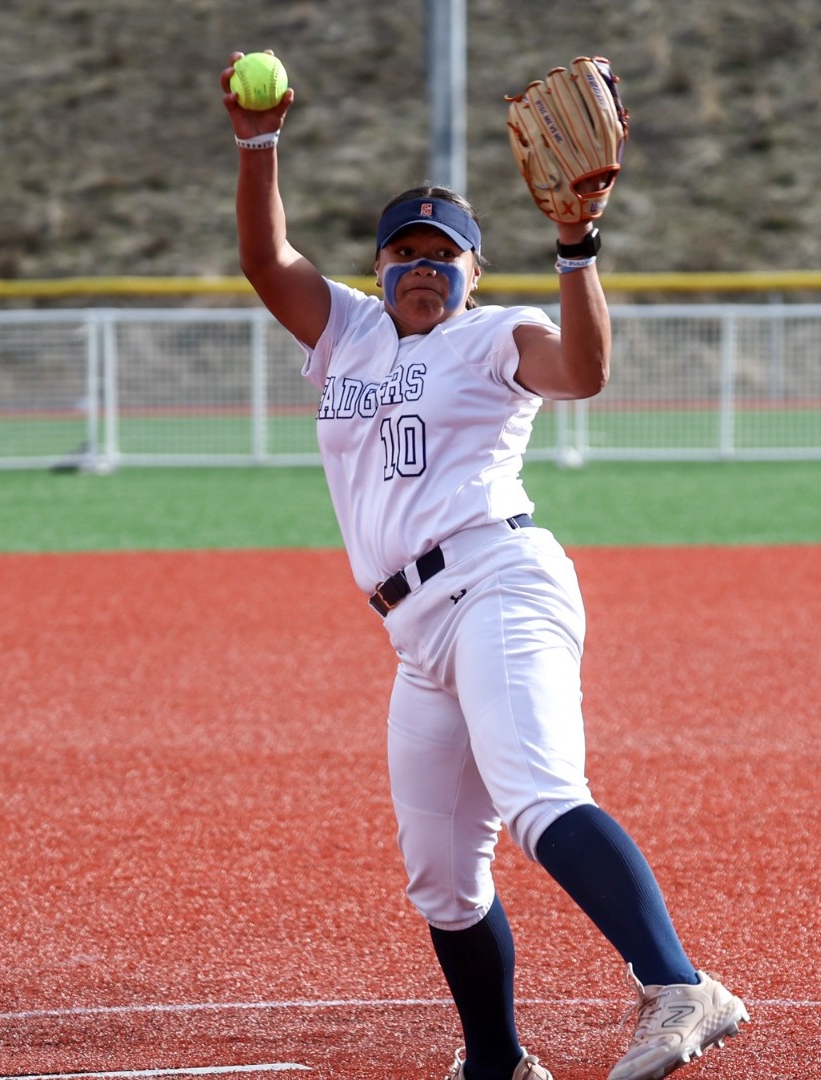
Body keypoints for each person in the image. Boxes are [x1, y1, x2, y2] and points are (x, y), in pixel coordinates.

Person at [222, 52, 747, 1080]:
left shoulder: (497, 334)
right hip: (415, 634)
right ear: (378, 267)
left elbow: (583, 374)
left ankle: (680, 985)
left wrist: (576, 248)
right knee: (440, 881)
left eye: (444, 254)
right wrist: (258, 142)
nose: (422, 266)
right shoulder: (347, 332)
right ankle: (498, 1063)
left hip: (497, 584)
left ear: (475, 271)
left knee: (541, 797)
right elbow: (263, 258)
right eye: (404, 251)